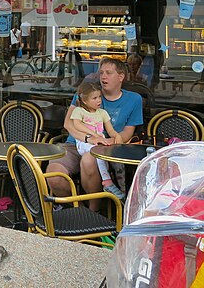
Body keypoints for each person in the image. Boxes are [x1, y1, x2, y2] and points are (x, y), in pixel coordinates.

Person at [47, 57, 143, 209]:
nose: (103, 76)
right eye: (101, 72)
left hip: (106, 147)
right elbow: (68, 123)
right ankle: (75, 210)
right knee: (54, 176)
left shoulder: (133, 99)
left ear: (121, 77)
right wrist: (88, 138)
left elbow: (127, 132)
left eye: (109, 73)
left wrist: (112, 141)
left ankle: (93, 211)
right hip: (75, 143)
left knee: (89, 159)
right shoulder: (86, 93)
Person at [70, 83, 125, 199]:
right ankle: (107, 181)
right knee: (98, 151)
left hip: (99, 142)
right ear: (85, 100)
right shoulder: (79, 111)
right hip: (84, 143)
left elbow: (110, 129)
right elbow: (77, 125)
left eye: (99, 97)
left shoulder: (102, 113)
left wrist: (117, 136)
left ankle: (122, 187)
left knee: (116, 158)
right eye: (94, 98)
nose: (99, 100)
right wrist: (94, 135)